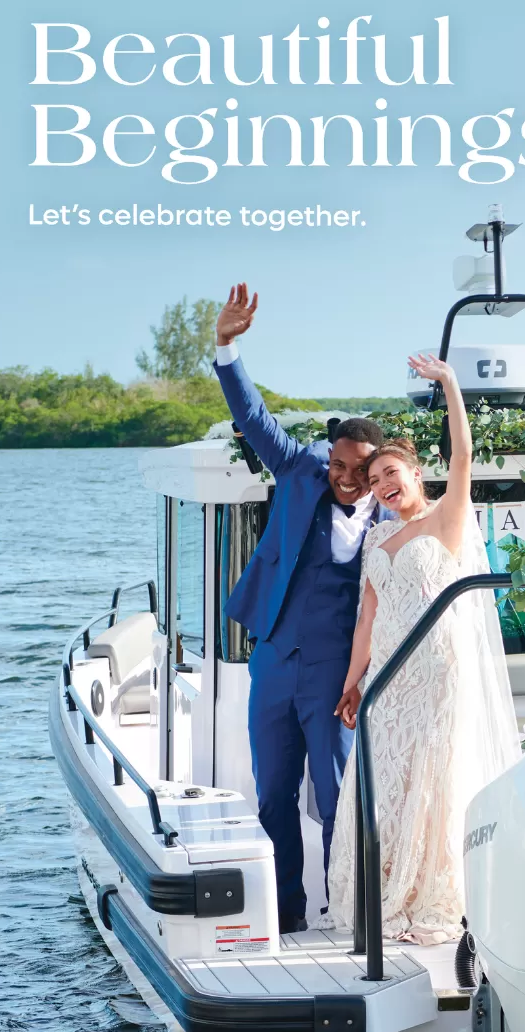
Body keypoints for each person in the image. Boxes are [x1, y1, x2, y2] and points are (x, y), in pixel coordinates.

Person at [321, 353, 521, 945]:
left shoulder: (446, 519)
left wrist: (450, 384)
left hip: (436, 671)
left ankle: (427, 893)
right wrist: (353, 682)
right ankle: (383, 891)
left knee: (430, 781)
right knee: (387, 780)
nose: (383, 485)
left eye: (391, 474)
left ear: (414, 474)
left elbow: (463, 454)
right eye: (375, 479)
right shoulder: (377, 536)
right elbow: (366, 620)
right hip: (387, 677)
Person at [213, 283, 389, 935]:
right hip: (275, 665)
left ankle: (348, 910)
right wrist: (227, 346)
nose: (345, 476)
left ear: (378, 470)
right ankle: (287, 910)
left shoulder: (391, 516)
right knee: (274, 796)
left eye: (359, 468)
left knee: (340, 797)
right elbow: (255, 418)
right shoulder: (297, 471)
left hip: (336, 677)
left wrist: (361, 675)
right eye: (339, 463)